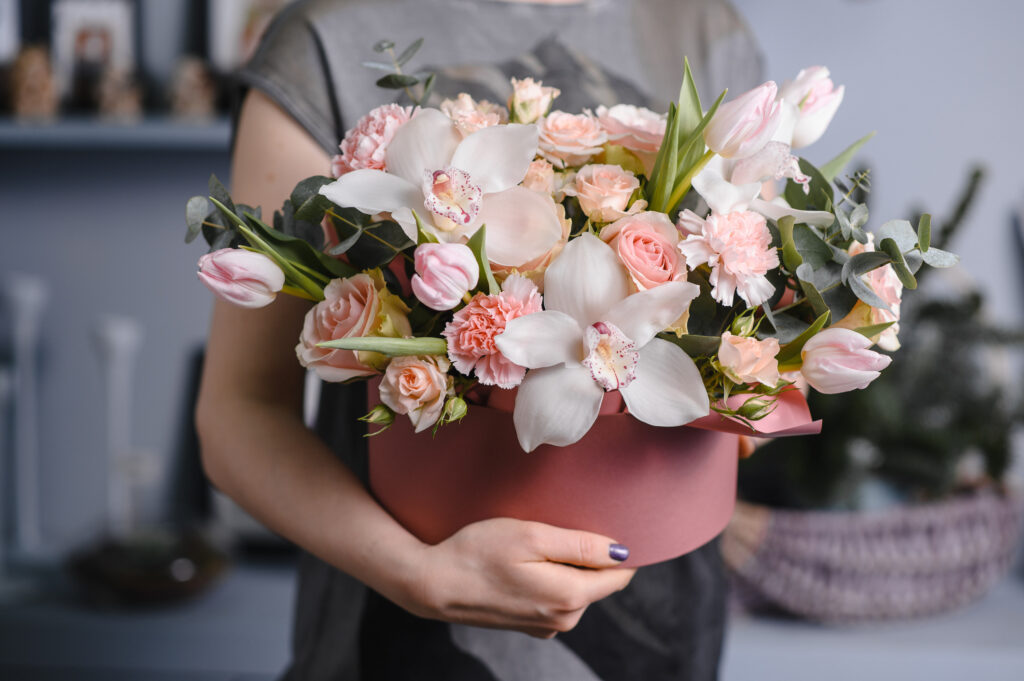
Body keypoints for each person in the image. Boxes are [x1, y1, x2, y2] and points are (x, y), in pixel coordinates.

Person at [196, 1, 763, 678]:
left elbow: (755, 311)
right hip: (400, 638)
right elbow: (238, 413)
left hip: (661, 633)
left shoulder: (704, 28)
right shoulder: (329, 37)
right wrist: (416, 573)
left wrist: (742, 396)